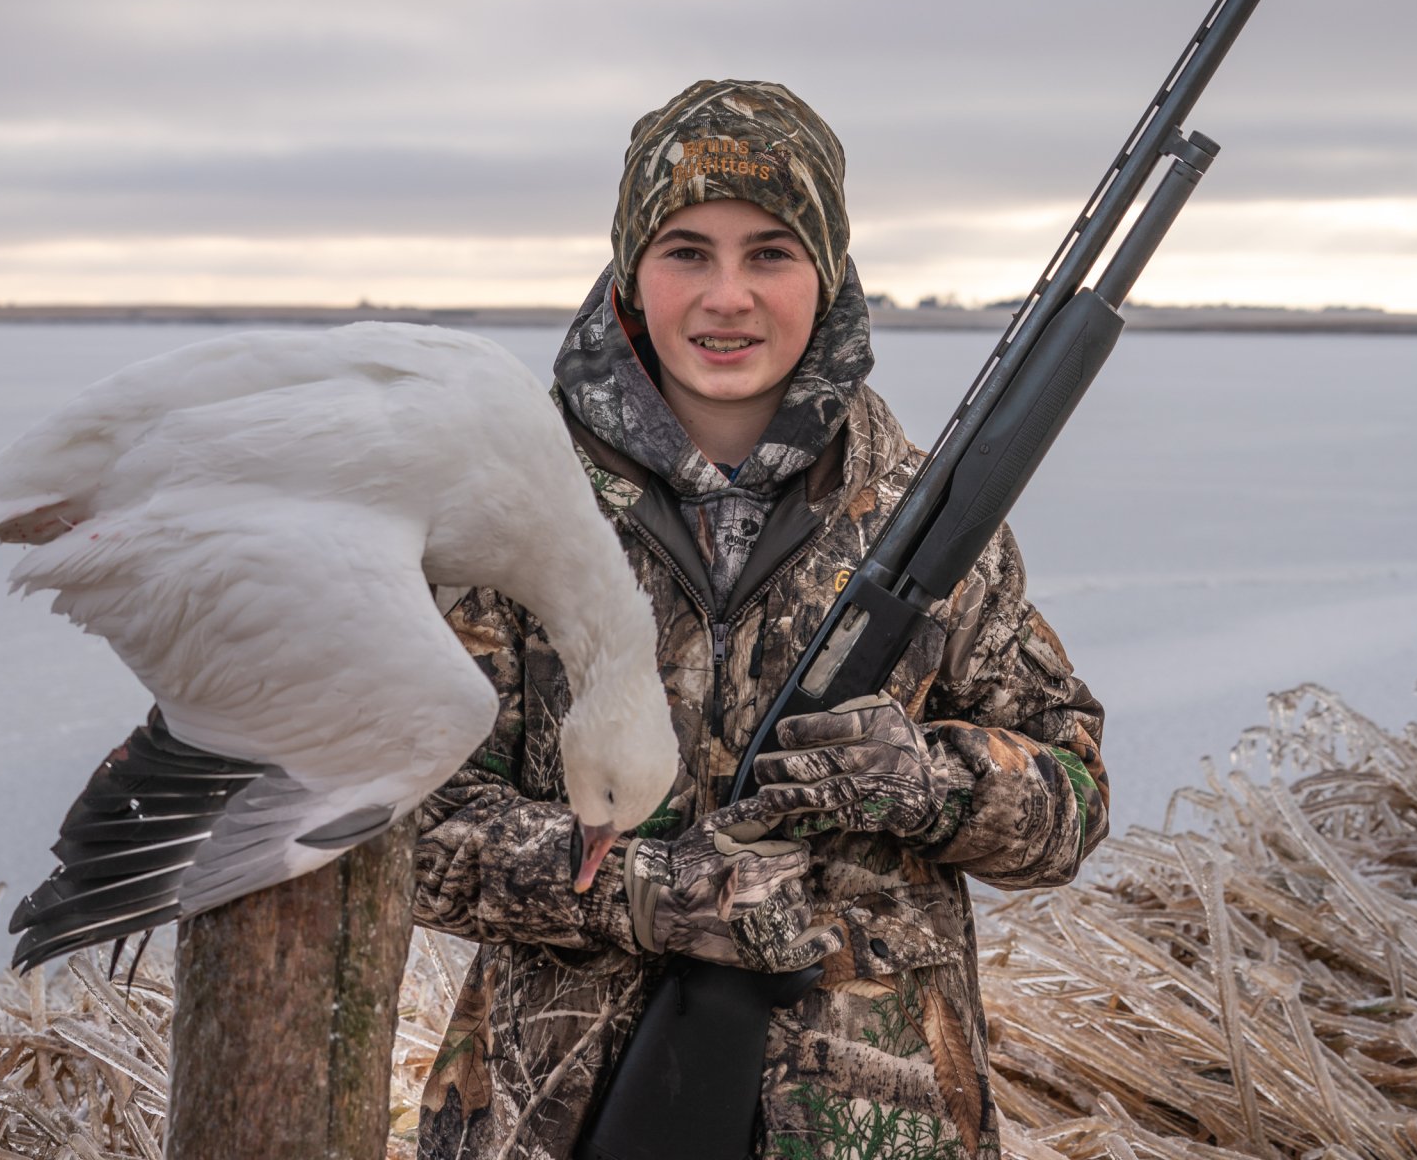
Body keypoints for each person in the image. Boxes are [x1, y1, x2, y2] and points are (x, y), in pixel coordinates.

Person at [413, 79, 1108, 1160]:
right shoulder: (511, 512)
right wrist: (651, 890)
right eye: (687, 250)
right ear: (630, 274)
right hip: (550, 1119)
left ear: (826, 274)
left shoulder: (926, 518)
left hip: (880, 1124)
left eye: (771, 253)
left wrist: (931, 781)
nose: (727, 295)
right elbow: (407, 826)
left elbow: (1074, 799)